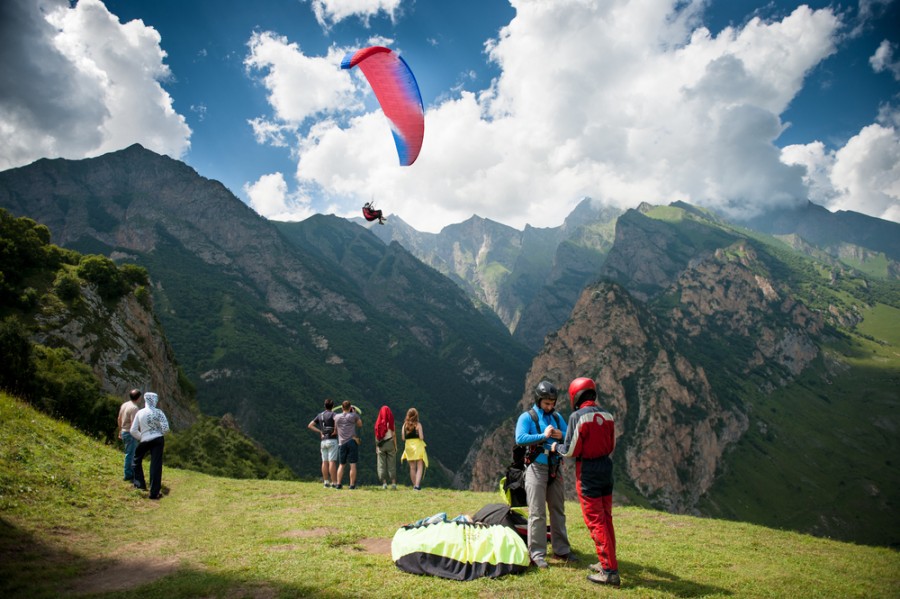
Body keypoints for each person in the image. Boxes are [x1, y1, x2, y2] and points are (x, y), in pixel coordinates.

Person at [552, 377, 619, 586]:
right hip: (606, 468)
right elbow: (611, 444)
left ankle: (609, 571)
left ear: (575, 396)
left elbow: (571, 450)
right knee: (606, 518)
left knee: (595, 520)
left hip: (588, 471)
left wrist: (556, 448)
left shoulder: (577, 416)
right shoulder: (607, 415)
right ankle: (608, 563)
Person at [515, 380, 575, 569]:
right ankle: (537, 553)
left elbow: (571, 435)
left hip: (555, 467)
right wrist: (543, 436)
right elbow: (520, 438)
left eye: (552, 403)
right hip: (536, 467)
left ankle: (562, 550)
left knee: (558, 510)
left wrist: (560, 435)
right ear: (539, 400)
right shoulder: (527, 417)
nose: (550, 406)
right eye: (546, 403)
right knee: (537, 512)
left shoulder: (557, 417)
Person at [129, 391, 170, 500]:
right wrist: (159, 433)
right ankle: (154, 493)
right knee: (156, 465)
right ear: (155, 400)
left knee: (136, 460)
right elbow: (166, 428)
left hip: (145, 439)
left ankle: (140, 485)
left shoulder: (140, 413)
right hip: (158, 439)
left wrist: (142, 437)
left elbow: (133, 430)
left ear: (145, 400)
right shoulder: (159, 412)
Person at [308, 399, 339, 488]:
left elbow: (310, 425)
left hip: (323, 441)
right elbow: (338, 423)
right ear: (333, 406)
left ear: (324, 406)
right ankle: (334, 482)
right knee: (332, 462)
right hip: (332, 440)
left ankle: (326, 482)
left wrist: (320, 431)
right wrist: (335, 430)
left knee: (324, 462)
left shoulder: (320, 415)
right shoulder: (334, 414)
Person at [333, 400, 362, 489]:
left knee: (341, 464)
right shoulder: (353, 415)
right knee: (352, 464)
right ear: (350, 408)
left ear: (342, 408)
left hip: (341, 443)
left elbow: (335, 430)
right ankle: (352, 485)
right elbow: (360, 425)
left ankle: (338, 484)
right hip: (352, 441)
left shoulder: (336, 417)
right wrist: (354, 413)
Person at [117, 388, 142, 482]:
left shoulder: (125, 404)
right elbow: (133, 424)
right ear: (138, 398)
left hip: (124, 431)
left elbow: (119, 418)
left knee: (129, 453)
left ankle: (130, 473)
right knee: (130, 454)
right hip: (130, 433)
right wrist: (139, 436)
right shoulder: (134, 408)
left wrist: (120, 431)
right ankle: (128, 475)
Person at [400, 408, 428, 490]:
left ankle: (415, 485)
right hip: (417, 446)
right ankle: (417, 485)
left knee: (412, 467)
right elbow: (421, 437)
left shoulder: (404, 425)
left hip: (408, 447)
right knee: (420, 466)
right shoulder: (418, 425)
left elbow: (403, 438)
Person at [374, 405, 398, 489]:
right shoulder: (390, 422)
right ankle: (393, 483)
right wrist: (395, 446)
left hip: (381, 445)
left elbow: (376, 436)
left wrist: (376, 447)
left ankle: (384, 483)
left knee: (381, 464)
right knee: (392, 463)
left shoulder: (378, 422)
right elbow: (393, 434)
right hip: (390, 442)